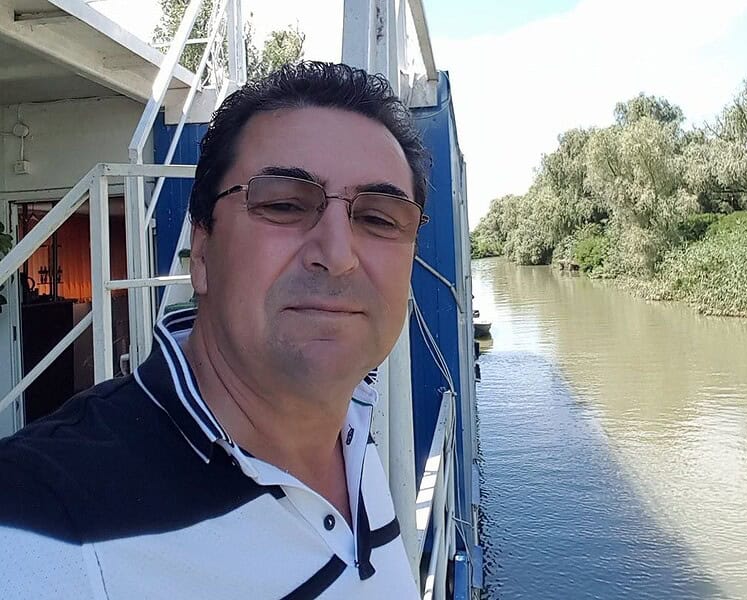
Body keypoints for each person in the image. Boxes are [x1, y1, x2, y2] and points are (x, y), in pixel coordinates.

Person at [0, 61, 429, 599]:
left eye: (379, 218)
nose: (338, 255)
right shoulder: (42, 527)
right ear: (201, 252)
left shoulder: (357, 434)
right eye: (283, 204)